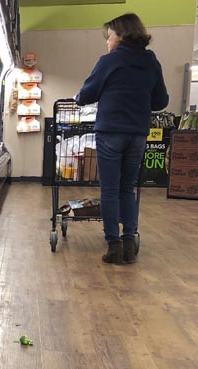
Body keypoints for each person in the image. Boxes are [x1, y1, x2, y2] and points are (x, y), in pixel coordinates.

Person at [75, 13, 168, 264]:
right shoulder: (151, 62)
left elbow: (85, 94)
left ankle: (113, 245)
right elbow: (161, 101)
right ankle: (129, 242)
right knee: (128, 189)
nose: (107, 42)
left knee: (110, 190)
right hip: (137, 133)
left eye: (110, 36)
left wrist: (79, 97)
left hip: (110, 133)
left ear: (121, 35)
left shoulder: (109, 61)